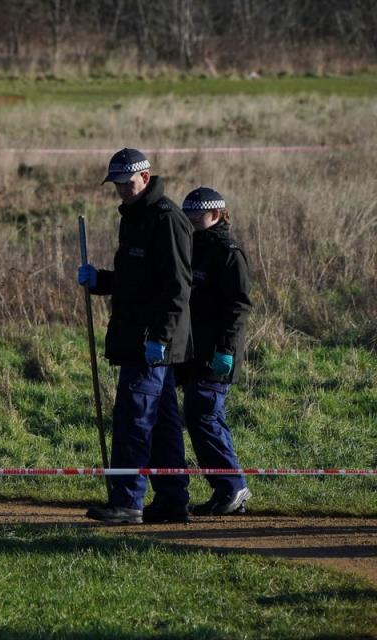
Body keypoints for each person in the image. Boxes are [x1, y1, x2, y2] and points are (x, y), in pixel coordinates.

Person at [78, 148, 195, 524]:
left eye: (127, 184)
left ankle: (127, 501)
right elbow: (135, 281)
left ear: (146, 177)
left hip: (153, 343)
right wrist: (101, 281)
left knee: (133, 418)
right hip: (137, 337)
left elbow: (178, 288)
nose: (122, 191)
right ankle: (173, 500)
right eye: (116, 185)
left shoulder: (167, 219)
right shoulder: (134, 218)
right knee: (161, 423)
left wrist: (160, 337)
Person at [178, 187, 253, 515]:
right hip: (191, 350)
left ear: (217, 213)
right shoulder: (190, 247)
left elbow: (237, 307)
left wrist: (226, 350)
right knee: (200, 417)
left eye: (199, 214)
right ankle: (226, 488)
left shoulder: (228, 251)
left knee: (204, 415)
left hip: (216, 354)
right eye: (189, 214)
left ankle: (232, 487)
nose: (193, 219)